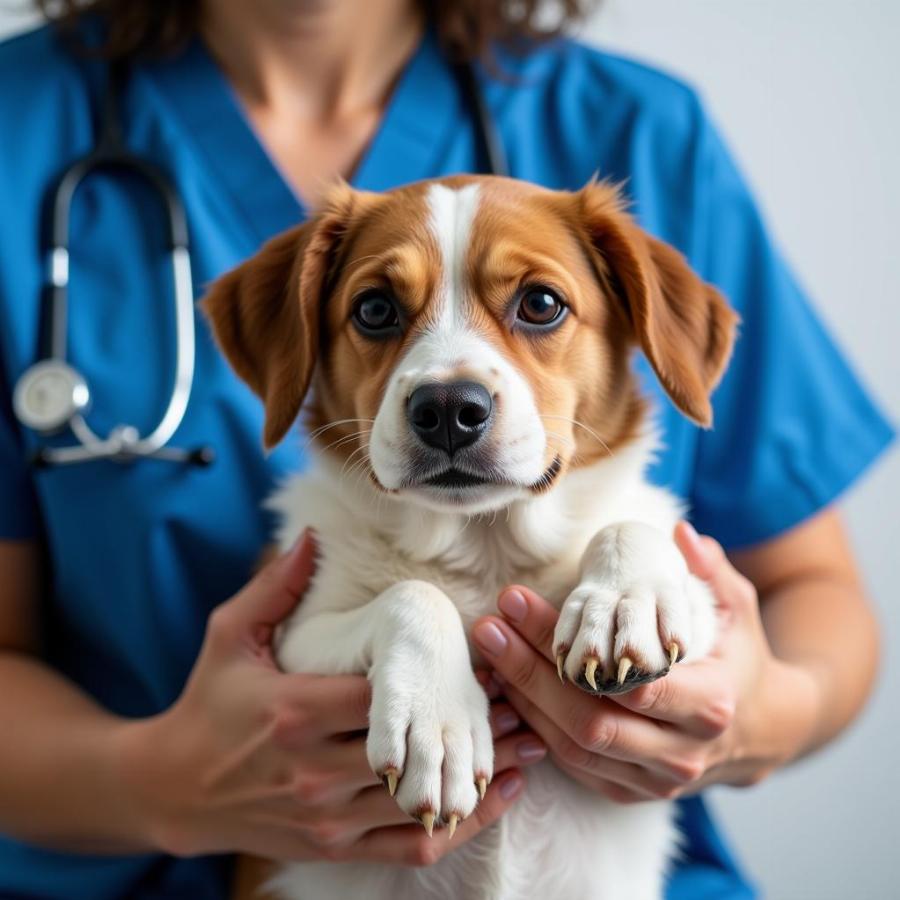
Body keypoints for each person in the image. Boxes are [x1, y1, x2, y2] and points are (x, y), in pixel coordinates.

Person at [0, 1, 892, 898]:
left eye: (537, 307)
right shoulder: (23, 125)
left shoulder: (639, 125)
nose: (448, 391)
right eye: (380, 315)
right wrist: (160, 781)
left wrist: (760, 715)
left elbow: (814, 595)